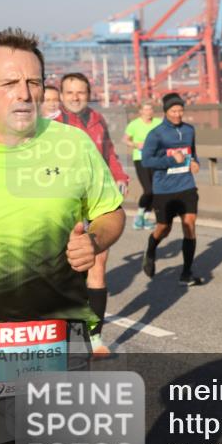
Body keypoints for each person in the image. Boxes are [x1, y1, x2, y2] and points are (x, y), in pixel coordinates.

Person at [0, 28, 125, 444]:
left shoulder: (72, 145)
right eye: (9, 82)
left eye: (34, 82)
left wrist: (94, 241)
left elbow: (110, 212)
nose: (24, 93)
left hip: (57, 331)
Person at [56, 72, 131, 355]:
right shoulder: (53, 126)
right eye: (70, 92)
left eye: (81, 92)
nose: (75, 97)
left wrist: (120, 175)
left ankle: (94, 337)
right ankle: (61, 334)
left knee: (98, 266)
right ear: (61, 96)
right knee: (68, 270)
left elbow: (109, 154)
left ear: (89, 94)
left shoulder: (98, 120)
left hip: (97, 201)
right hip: (68, 204)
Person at [141, 92, 204, 286]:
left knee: (189, 225)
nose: (177, 114)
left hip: (186, 185)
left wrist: (195, 163)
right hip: (164, 189)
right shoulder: (156, 134)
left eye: (180, 110)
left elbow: (193, 153)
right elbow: (146, 160)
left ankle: (186, 273)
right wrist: (170, 159)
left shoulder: (189, 130)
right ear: (166, 111)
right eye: (173, 111)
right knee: (164, 228)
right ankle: (151, 250)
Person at [123, 100, 162, 230]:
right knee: (148, 190)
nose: (148, 112)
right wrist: (136, 144)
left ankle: (145, 219)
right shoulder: (134, 124)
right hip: (141, 159)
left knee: (156, 190)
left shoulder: (158, 123)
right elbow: (125, 140)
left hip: (156, 159)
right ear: (140, 111)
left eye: (150, 109)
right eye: (145, 109)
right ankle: (139, 216)